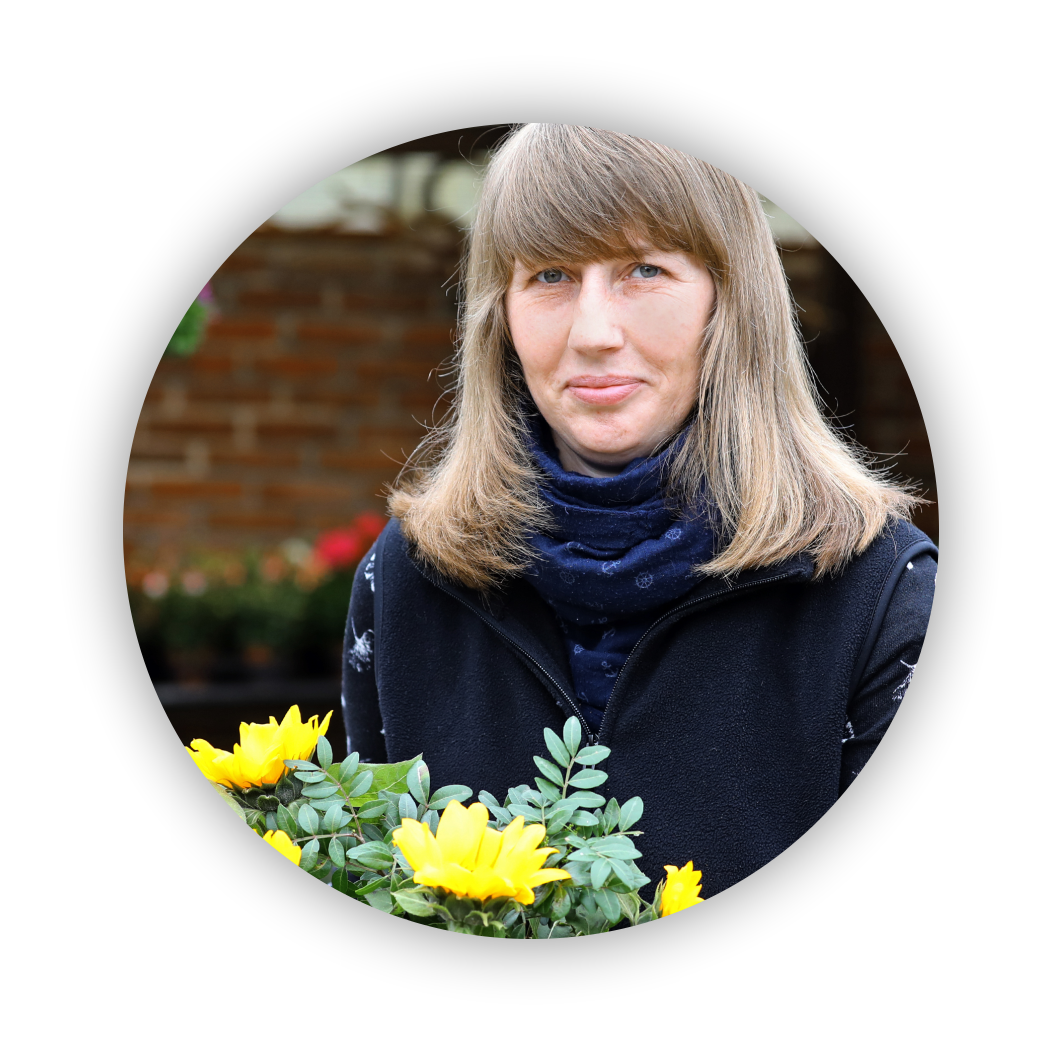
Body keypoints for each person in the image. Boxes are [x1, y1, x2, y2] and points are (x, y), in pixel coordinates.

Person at [341, 124, 937, 901]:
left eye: (645, 270)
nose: (594, 333)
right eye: (550, 275)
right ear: (500, 315)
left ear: (731, 302)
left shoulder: (881, 595)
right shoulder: (406, 579)